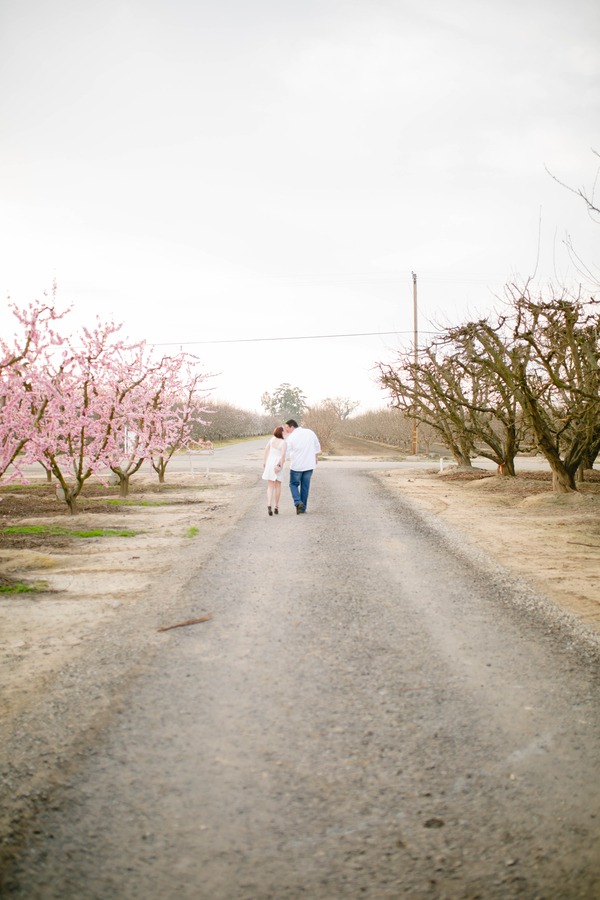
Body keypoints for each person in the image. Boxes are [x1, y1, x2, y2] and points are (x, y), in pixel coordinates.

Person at [283, 419, 321, 514]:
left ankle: (297, 502)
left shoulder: (291, 437)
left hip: (297, 466)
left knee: (293, 484)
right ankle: (302, 508)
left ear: (292, 426)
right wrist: (316, 457)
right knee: (305, 487)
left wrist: (280, 463)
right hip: (309, 465)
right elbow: (317, 446)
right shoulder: (310, 432)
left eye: (287, 427)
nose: (286, 429)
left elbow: (286, 452)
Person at [262, 426, 286, 515]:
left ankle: (269, 504)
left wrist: (264, 461)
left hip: (270, 462)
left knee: (270, 486)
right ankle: (276, 506)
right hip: (278, 462)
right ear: (282, 432)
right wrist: (280, 465)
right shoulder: (283, 442)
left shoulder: (272, 439)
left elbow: (266, 449)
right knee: (278, 486)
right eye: (284, 431)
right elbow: (283, 455)